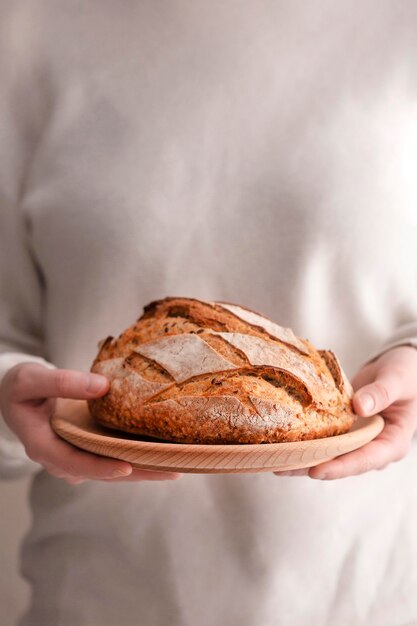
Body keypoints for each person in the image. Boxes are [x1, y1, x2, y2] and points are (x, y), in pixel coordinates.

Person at [1, 2, 417, 625]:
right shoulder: (29, 31)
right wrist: (8, 401)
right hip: (97, 603)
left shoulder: (401, 27)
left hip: (365, 601)